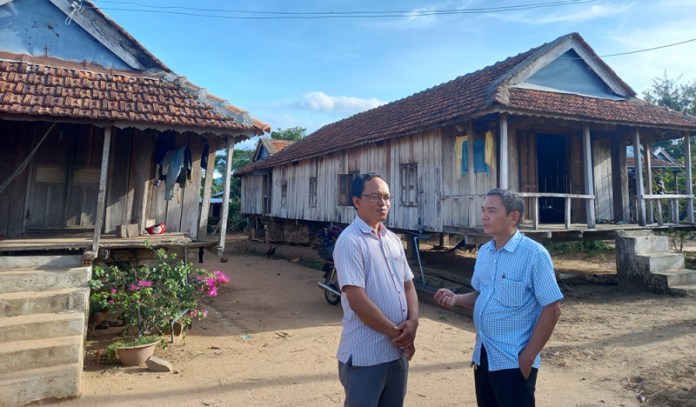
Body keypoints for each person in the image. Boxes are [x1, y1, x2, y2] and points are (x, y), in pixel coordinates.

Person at [434, 188, 563, 407]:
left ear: (513, 217)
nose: (484, 216)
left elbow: (552, 309)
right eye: (483, 210)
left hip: (514, 360)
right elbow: (483, 295)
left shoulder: (534, 254)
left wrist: (528, 357)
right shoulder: (485, 252)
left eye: (492, 211)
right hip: (484, 355)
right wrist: (457, 299)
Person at [333, 173, 419, 407]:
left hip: (396, 354)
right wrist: (399, 335)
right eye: (374, 197)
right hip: (366, 356)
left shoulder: (392, 239)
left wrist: (413, 323)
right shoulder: (350, 241)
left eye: (387, 197)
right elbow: (357, 301)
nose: (383, 203)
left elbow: (408, 285)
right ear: (357, 201)